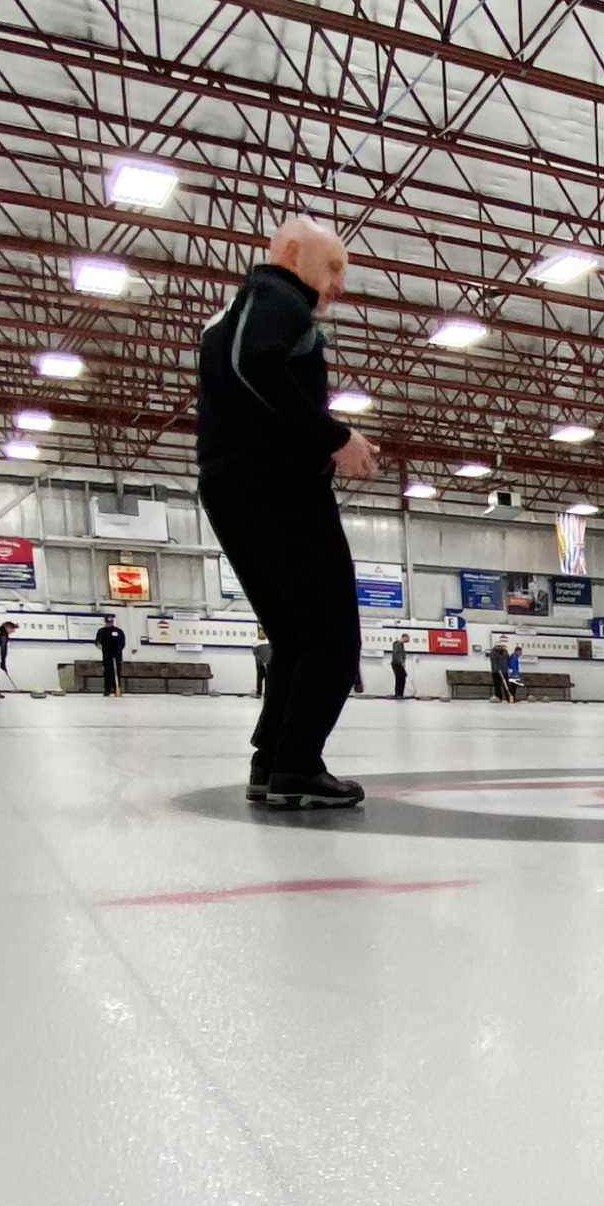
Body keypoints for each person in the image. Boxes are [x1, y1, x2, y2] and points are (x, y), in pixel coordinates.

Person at [194, 215, 377, 811]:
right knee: (333, 639)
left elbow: (243, 376)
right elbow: (259, 363)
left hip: (231, 488)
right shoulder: (277, 296)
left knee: (296, 637)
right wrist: (333, 436)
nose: (339, 286)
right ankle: (298, 767)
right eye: (333, 268)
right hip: (277, 489)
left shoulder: (229, 313)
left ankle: (272, 762)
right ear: (292, 253)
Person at [94, 617, 126, 696]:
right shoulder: (102, 631)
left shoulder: (118, 631)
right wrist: (99, 645)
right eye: (108, 622)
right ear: (105, 622)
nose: (109, 624)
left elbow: (122, 643)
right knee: (107, 672)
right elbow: (97, 641)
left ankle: (116, 688)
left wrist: (118, 651)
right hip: (106, 655)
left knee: (116, 672)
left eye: (110, 622)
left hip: (117, 655)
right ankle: (107, 689)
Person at [389, 634, 409, 700]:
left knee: (400, 677)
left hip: (397, 663)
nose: (408, 640)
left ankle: (399, 693)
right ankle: (399, 694)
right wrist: (401, 662)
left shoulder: (399, 644)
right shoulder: (398, 644)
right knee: (401, 677)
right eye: (407, 638)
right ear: (404, 637)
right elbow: (396, 653)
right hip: (397, 664)